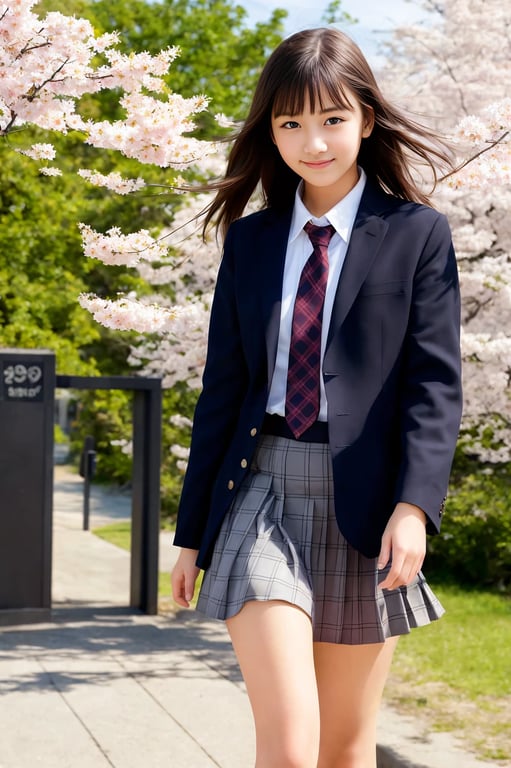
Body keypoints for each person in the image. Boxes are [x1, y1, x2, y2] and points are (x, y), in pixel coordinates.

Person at [171, 26, 462, 768]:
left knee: (343, 749)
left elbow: (434, 385)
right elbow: (223, 389)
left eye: (331, 119)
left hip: (363, 505)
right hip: (262, 490)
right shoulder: (251, 241)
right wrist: (191, 532)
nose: (313, 141)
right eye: (290, 122)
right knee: (293, 747)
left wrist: (413, 507)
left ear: (365, 118)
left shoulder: (417, 235)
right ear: (269, 130)